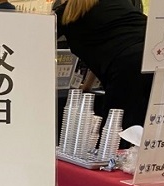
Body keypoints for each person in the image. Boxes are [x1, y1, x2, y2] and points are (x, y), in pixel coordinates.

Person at [54, 0, 153, 130]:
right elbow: (107, 46)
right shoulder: (114, 3)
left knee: (118, 129)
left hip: (128, 68)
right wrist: (87, 86)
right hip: (155, 58)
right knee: (151, 125)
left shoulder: (66, 13)